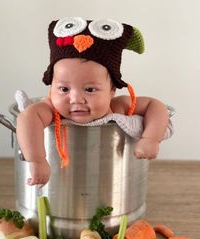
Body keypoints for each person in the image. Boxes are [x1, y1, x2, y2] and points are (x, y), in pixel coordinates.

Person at [16, 17, 169, 186]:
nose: (76, 99)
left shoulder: (116, 106)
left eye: (89, 89)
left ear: (112, 90)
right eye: (64, 89)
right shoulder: (50, 108)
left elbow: (155, 106)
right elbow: (26, 118)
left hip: (112, 184)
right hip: (61, 185)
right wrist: (37, 160)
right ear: (52, 87)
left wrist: (150, 138)